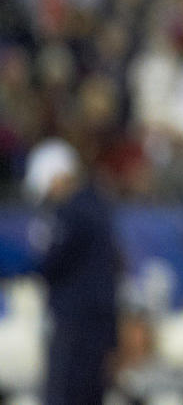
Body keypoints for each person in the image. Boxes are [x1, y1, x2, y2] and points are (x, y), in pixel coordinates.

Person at [23, 138, 121, 405]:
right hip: (97, 324)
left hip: (74, 325)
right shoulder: (98, 208)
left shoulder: (71, 213)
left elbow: (48, 263)